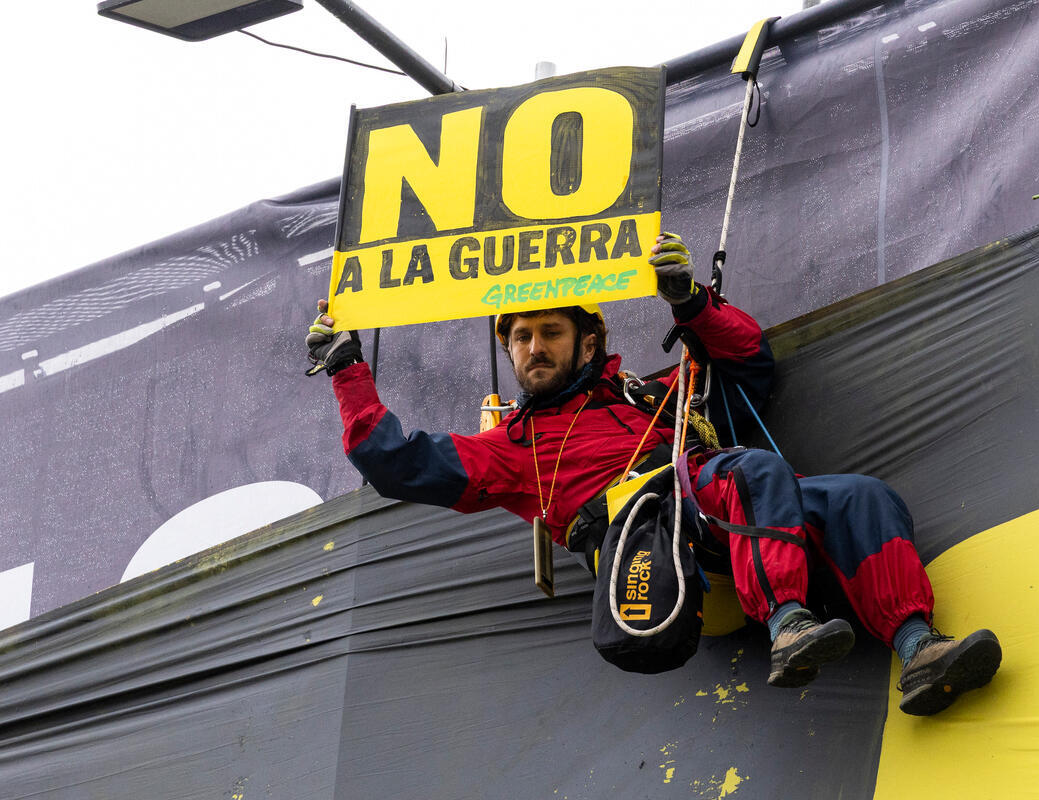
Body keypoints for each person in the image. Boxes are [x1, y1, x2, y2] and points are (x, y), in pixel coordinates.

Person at [306, 233, 1001, 716]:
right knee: (750, 471)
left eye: (549, 331)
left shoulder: (650, 393)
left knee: (859, 498)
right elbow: (394, 462)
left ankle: (919, 649)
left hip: (725, 509)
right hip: (657, 539)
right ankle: (789, 625)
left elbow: (752, 365)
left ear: (589, 341)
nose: (532, 348)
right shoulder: (513, 449)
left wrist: (690, 301)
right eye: (520, 337)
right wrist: (347, 371)